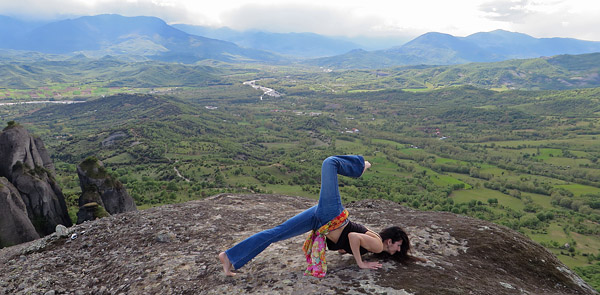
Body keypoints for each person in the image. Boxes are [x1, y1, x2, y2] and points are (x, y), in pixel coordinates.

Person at [218, 155, 411, 277]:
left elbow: (349, 239)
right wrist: (361, 264)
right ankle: (360, 165)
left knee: (276, 233)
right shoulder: (377, 244)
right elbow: (352, 236)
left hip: (323, 221)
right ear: (390, 240)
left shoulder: (374, 243)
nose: (397, 249)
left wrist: (348, 251)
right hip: (332, 216)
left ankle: (229, 257)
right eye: (399, 245)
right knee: (330, 163)